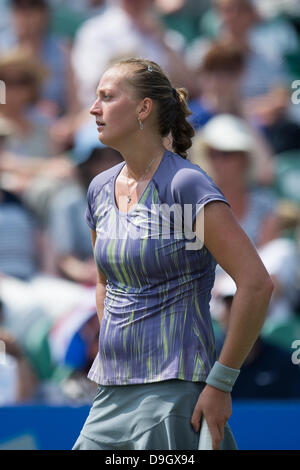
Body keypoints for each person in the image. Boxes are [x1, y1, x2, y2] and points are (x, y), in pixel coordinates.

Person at [72, 58, 273, 451]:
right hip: (111, 392)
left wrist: (221, 382)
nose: (94, 108)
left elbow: (256, 283)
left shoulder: (186, 184)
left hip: (175, 394)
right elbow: (104, 282)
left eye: (107, 97)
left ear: (144, 108)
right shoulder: (98, 189)